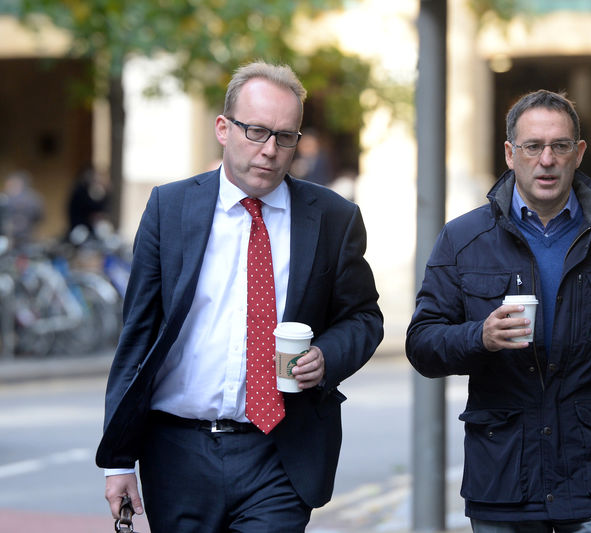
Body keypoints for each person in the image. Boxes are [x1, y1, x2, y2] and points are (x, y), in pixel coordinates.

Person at [96, 60, 383, 533]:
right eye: (256, 132)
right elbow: (138, 336)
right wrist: (119, 460)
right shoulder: (170, 209)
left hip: (279, 451)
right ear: (223, 129)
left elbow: (363, 318)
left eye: (285, 137)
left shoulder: (333, 218)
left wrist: (325, 356)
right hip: (177, 452)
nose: (270, 150)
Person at [406, 90, 591, 532]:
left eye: (560, 146)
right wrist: (480, 337)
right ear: (511, 154)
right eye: (533, 146)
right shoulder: (463, 238)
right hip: (505, 478)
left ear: (578, 153)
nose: (546, 159)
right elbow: (422, 345)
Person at [2, 170, 43, 248]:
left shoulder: (7, 199)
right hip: (28, 237)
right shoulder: (35, 198)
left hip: (14, 239)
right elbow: (40, 217)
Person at [67, 164, 110, 239]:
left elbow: (100, 208)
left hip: (91, 229)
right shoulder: (80, 191)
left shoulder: (93, 190)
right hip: (79, 227)